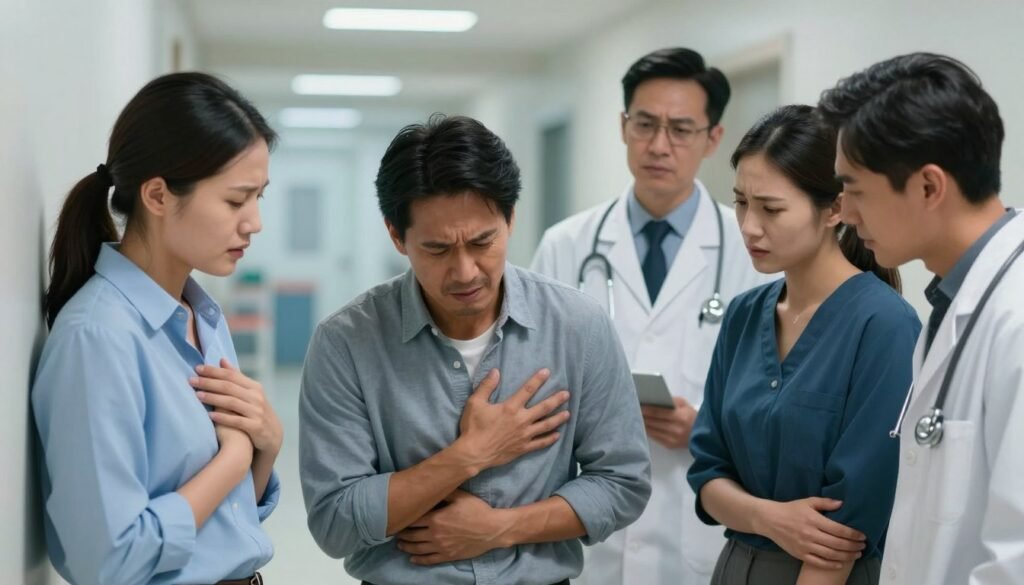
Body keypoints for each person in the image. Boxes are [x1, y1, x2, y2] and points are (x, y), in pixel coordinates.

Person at [298, 114, 651, 585]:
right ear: (396, 236)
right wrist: (468, 455)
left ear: (510, 218)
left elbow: (623, 482)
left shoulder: (577, 326)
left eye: (483, 242)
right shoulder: (346, 342)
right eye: (438, 250)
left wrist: (501, 528)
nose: (465, 272)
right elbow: (335, 523)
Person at [32, 72, 283, 585]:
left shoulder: (202, 316)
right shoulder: (97, 338)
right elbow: (111, 560)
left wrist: (267, 445)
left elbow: (229, 523)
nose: (254, 222)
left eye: (260, 196)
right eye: (236, 200)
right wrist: (236, 456)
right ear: (158, 196)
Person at [531, 47, 766, 584]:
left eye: (681, 129)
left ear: (713, 138)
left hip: (700, 529)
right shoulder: (566, 246)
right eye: (645, 124)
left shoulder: (753, 252)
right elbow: (532, 377)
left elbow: (777, 400)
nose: (659, 145)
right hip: (588, 526)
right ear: (623, 126)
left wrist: (706, 428)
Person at [686, 104, 921, 585]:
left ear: (835, 209)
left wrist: (750, 511)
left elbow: (845, 528)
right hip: (733, 565)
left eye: (771, 209)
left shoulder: (885, 326)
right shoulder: (743, 315)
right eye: (741, 202)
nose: (749, 226)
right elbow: (707, 476)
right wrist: (769, 518)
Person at [818, 53, 1024, 585]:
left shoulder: (1015, 318)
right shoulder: (951, 301)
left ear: (929, 187)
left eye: (856, 190)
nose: (847, 214)